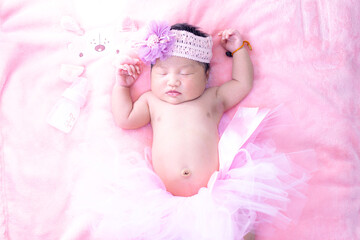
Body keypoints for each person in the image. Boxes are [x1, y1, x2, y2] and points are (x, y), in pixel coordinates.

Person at [111, 22, 253, 197]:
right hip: (163, 198)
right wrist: (122, 87)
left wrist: (238, 50)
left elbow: (242, 83)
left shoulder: (212, 99)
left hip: (214, 194)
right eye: (163, 73)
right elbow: (124, 119)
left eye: (185, 74)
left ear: (206, 76)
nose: (173, 81)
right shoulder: (152, 101)